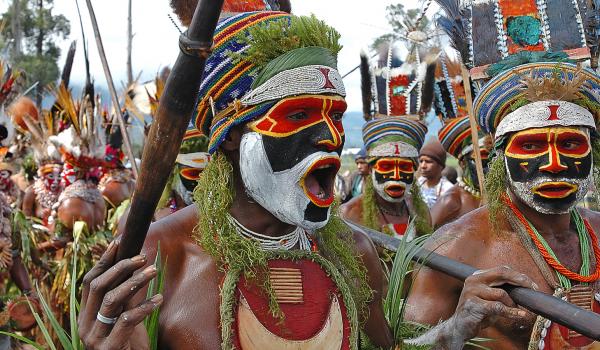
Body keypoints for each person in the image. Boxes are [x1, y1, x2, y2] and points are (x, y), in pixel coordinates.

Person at [78, 8, 393, 349]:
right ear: (229, 136)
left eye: (335, 115)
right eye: (299, 114)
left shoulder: (353, 251)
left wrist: (450, 331)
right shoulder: (158, 254)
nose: (331, 136)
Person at [405, 61, 600, 348]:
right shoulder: (456, 247)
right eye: (531, 146)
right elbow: (402, 344)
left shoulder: (597, 227)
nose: (555, 165)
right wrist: (455, 328)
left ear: (592, 155)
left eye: (570, 144)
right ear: (500, 161)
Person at [341, 117, 431, 239]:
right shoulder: (349, 213)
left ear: (414, 171)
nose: (396, 176)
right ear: (372, 170)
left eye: (405, 166)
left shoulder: (421, 211)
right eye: (386, 166)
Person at [430, 116, 491, 228]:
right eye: (482, 156)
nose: (489, 164)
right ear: (462, 163)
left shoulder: (502, 196)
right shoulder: (451, 202)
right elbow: (421, 241)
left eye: (493, 156)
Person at [417, 138, 453, 208]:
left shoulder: (448, 190)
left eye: (428, 161)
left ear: (441, 166)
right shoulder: (417, 184)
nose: (423, 166)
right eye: (421, 161)